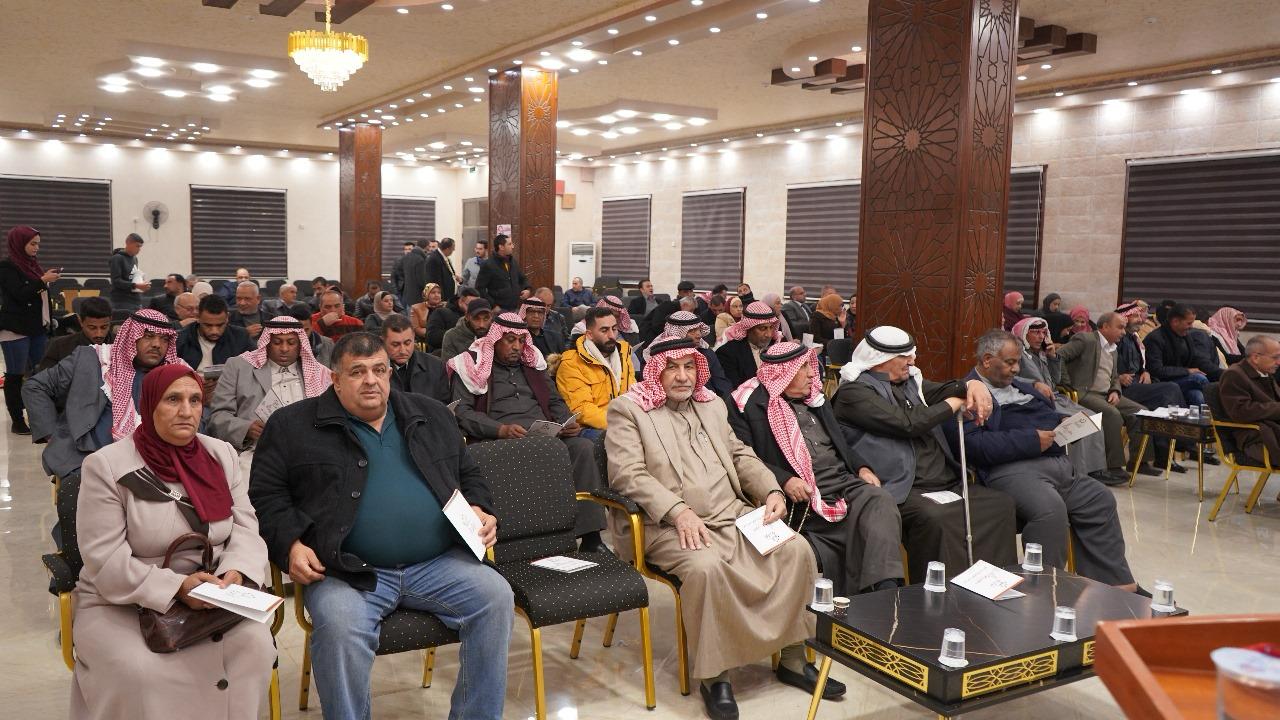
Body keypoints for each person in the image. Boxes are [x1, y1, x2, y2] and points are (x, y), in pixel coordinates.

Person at [250, 332, 512, 720]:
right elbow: (267, 495)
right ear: (335, 380)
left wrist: (479, 507)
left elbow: (469, 473)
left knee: (496, 597)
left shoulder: (430, 414)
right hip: (346, 572)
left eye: (379, 370)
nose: (371, 380)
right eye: (357, 372)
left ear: (390, 373)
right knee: (339, 628)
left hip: (437, 564)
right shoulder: (292, 426)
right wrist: (290, 543)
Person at [606, 336, 831, 720]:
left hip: (733, 514)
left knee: (796, 550)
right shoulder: (629, 410)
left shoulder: (711, 405)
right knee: (707, 569)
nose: (682, 376)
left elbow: (740, 455)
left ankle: (794, 658)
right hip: (669, 525)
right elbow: (628, 475)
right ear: (656, 371)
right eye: (672, 368)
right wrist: (678, 511)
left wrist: (771, 489)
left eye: (689, 367)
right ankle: (716, 676)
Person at [70, 364, 274, 719]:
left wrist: (236, 572)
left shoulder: (221, 455)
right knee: (141, 671)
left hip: (213, 596)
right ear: (150, 405)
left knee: (253, 647)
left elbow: (245, 528)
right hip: (125, 599)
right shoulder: (107, 466)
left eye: (195, 400)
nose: (186, 411)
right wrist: (177, 587)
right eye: (173, 400)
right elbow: (105, 559)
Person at [945, 330, 1138, 590]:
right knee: (1050, 510)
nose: (1016, 369)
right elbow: (972, 445)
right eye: (1010, 362)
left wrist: (1064, 423)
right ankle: (1048, 588)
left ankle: (1112, 584)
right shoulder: (965, 394)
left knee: (1099, 499)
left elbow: (1043, 414)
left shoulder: (1021, 385)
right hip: (1011, 470)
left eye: (1018, 362)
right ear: (987, 360)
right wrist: (1031, 440)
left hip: (1056, 463)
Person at [829, 327, 1018, 584]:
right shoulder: (854, 393)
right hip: (903, 487)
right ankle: (939, 593)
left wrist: (971, 384)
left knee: (1000, 504)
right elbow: (907, 423)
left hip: (943, 480)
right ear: (880, 359)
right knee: (936, 517)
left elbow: (944, 389)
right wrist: (954, 403)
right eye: (904, 356)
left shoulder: (910, 383)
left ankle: (991, 585)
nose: (912, 360)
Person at [730, 341, 909, 595]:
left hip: (842, 481)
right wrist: (784, 480)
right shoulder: (747, 405)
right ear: (784, 373)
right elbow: (744, 458)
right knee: (855, 530)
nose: (812, 374)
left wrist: (862, 468)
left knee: (880, 499)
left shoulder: (815, 398)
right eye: (803, 368)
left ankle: (886, 593)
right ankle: (869, 596)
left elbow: (840, 442)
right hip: (802, 495)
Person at [449, 313, 608, 552]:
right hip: (497, 439)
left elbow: (554, 401)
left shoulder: (533, 365)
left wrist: (565, 422)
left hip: (545, 436)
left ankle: (591, 537)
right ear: (495, 340)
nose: (517, 346)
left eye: (521, 341)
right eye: (510, 340)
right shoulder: (472, 366)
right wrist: (500, 429)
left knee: (583, 448)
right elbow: (462, 412)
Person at [24, 310, 182, 484]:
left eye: (164, 339)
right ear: (131, 336)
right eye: (148, 336)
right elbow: (35, 386)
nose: (157, 344)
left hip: (156, 463)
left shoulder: (178, 373)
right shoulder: (93, 358)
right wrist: (50, 434)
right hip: (85, 460)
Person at [208, 316, 331, 463]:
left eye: (291, 343)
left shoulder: (319, 374)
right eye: (277, 342)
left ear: (300, 345)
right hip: (256, 453)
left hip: (309, 453)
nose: (284, 349)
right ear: (267, 343)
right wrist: (246, 429)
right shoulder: (238, 367)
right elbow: (217, 417)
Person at [1010, 317, 1108, 478]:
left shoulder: (1041, 353)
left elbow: (1055, 380)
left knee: (1091, 417)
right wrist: (1034, 384)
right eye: (1035, 332)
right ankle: (1078, 471)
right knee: (1076, 423)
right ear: (1024, 333)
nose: (1041, 337)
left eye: (1043, 332)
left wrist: (1053, 357)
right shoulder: (1017, 354)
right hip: (1035, 400)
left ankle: (1095, 469)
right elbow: (1011, 378)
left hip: (1055, 397)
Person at [1, 226, 59, 433]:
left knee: (40, 373)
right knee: (15, 375)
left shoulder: (33, 266)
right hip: (15, 328)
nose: (36, 248)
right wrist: (42, 281)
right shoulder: (6, 267)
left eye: (38, 244)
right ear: (19, 243)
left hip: (36, 327)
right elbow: (20, 294)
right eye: (32, 243)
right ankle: (17, 420)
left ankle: (39, 417)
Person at [556, 307, 635, 435]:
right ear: (589, 335)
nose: (611, 335)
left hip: (626, 420)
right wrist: (620, 424)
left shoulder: (624, 354)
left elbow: (633, 392)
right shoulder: (571, 363)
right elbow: (582, 409)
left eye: (614, 329)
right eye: (604, 330)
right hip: (590, 427)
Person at [640, 310, 734, 397]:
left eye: (699, 330)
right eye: (692, 331)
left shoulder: (706, 353)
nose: (699, 335)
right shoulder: (655, 356)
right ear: (676, 334)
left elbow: (722, 384)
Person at [1144, 303, 1222, 407]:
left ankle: (1205, 417)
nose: (1191, 327)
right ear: (1175, 321)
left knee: (1197, 395)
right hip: (1162, 382)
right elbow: (1156, 370)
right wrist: (1187, 371)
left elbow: (1197, 360)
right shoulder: (1155, 339)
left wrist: (1222, 373)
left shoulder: (1185, 336)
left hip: (1181, 379)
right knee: (1200, 379)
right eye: (1189, 323)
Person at [1219, 335, 1280, 466]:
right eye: (1275, 357)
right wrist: (1276, 409)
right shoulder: (1234, 374)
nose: (1279, 362)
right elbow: (1240, 411)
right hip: (1255, 438)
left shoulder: (1265, 372)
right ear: (1256, 357)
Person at [380, 314, 450, 403]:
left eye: (407, 343)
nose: (402, 350)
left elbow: (445, 403)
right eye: (395, 345)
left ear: (414, 338)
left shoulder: (436, 366)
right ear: (383, 341)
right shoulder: (373, 370)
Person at [175, 295, 253, 371]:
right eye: (208, 325)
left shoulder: (241, 337)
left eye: (220, 325)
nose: (214, 331)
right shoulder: (180, 339)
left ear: (227, 318)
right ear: (198, 317)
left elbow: (254, 367)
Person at [37, 297, 114, 373]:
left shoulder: (119, 345)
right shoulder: (59, 347)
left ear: (110, 320)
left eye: (104, 327)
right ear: (80, 321)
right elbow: (44, 379)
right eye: (92, 328)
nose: (99, 334)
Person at [715, 300, 781, 389]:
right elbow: (734, 390)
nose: (769, 334)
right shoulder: (728, 353)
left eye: (771, 327)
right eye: (763, 328)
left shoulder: (776, 348)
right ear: (749, 328)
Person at [474, 233, 530, 311]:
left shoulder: (513, 262)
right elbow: (479, 288)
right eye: (509, 244)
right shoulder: (488, 264)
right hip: (499, 309)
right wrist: (493, 305)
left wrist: (527, 289)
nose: (512, 246)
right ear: (501, 247)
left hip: (514, 308)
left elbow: (523, 278)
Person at [440, 298, 493, 362]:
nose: (481, 325)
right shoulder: (451, 336)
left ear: (491, 317)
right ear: (467, 317)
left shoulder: (497, 335)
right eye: (476, 319)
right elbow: (448, 366)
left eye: (486, 319)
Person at [571, 296, 639, 344]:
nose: (613, 319)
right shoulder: (581, 328)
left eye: (616, 316)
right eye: (610, 314)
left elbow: (637, 351)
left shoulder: (628, 327)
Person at [427, 287, 476, 352]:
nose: (472, 309)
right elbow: (432, 337)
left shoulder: (477, 317)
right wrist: (458, 334)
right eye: (469, 305)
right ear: (460, 301)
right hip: (445, 353)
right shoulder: (441, 312)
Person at [108, 232, 148, 311]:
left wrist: (141, 283)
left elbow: (131, 277)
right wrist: (136, 285)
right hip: (121, 301)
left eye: (140, 247)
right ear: (128, 243)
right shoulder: (117, 258)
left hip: (135, 299)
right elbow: (116, 281)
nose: (139, 249)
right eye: (137, 246)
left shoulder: (134, 258)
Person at [288, 304, 334, 368]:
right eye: (298, 331)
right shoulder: (284, 348)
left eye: (306, 330)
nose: (303, 335)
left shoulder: (327, 344)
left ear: (311, 326)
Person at [424, 237, 460, 303]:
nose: (454, 250)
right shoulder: (434, 259)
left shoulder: (444, 257)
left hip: (449, 297)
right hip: (442, 299)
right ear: (447, 249)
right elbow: (433, 281)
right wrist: (440, 298)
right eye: (453, 248)